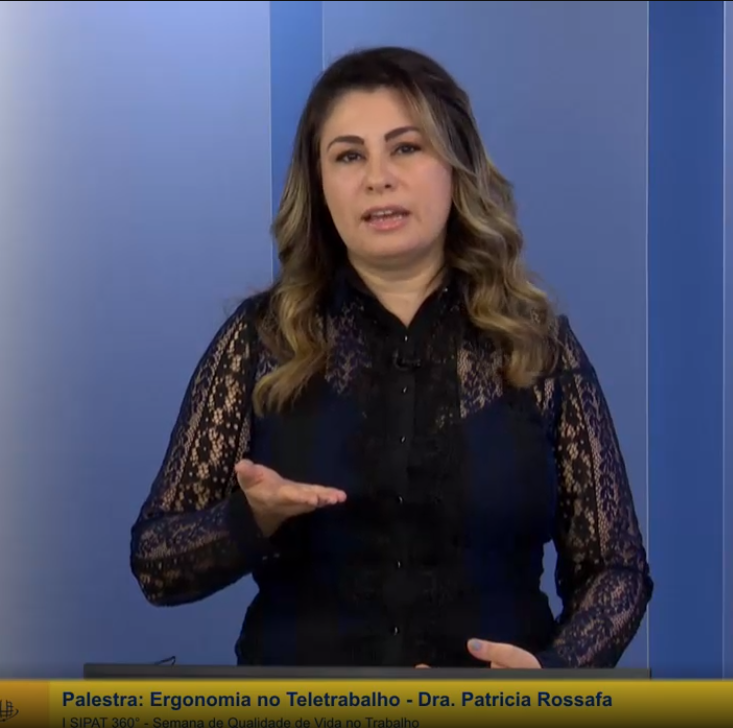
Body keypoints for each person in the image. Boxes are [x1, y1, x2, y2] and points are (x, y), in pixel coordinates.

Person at [129, 46, 653, 668]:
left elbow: (616, 570)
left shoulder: (538, 346)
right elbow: (156, 563)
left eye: (406, 147)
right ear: (320, 185)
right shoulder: (260, 340)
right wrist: (250, 520)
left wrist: (553, 677)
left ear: (455, 166)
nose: (378, 177)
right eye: (349, 155)